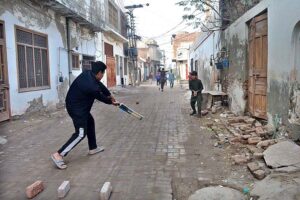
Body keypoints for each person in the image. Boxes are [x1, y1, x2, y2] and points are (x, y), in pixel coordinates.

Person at [51, 61, 119, 169]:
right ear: (99, 73)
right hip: (77, 110)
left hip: (78, 106)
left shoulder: (88, 74)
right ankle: (58, 154)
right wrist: (111, 102)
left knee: (90, 122)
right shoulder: (91, 86)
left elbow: (100, 86)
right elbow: (100, 96)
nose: (103, 76)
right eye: (103, 73)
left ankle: (93, 148)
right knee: (80, 134)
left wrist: (109, 95)